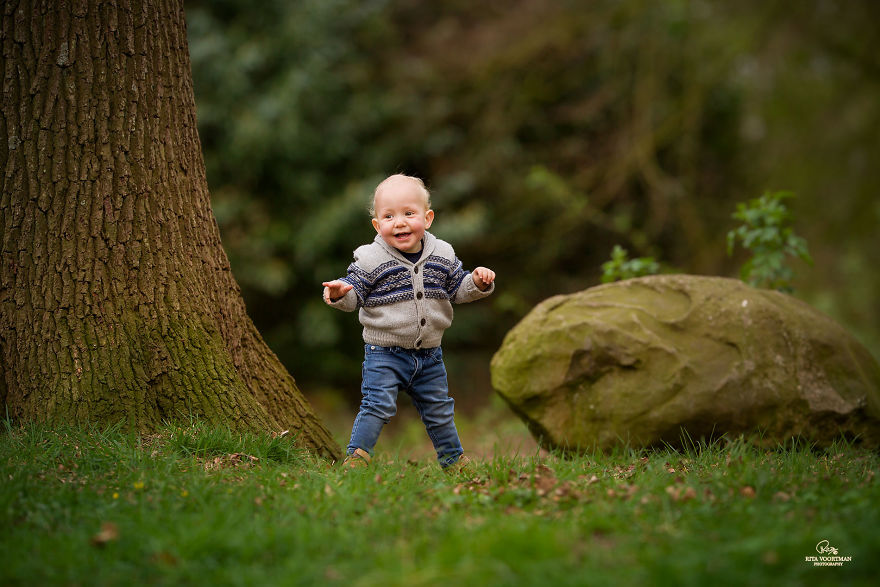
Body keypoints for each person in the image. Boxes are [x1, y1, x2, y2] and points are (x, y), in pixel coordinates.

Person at [322, 174, 495, 470]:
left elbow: (458, 288)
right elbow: (354, 291)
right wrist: (340, 293)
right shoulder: (371, 258)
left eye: (408, 213)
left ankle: (453, 460)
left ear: (427, 219)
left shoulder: (443, 254)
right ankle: (357, 457)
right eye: (388, 216)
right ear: (377, 225)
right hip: (384, 353)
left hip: (430, 355)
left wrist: (478, 282)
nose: (399, 223)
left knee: (439, 410)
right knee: (377, 405)